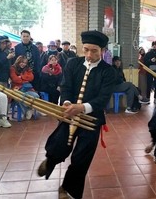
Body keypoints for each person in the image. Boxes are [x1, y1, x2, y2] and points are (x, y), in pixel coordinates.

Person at [37, 30, 116, 199]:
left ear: (103, 50)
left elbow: (103, 99)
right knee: (59, 145)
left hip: (92, 118)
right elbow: (66, 87)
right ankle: (51, 161)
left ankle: (66, 188)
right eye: (86, 49)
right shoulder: (73, 63)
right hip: (69, 113)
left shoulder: (108, 71)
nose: (89, 54)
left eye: (94, 51)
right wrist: (66, 103)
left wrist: (82, 107)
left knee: (82, 158)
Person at [10, 55, 39, 120]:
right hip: (17, 89)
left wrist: (21, 77)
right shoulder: (13, 68)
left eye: (25, 63)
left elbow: (31, 77)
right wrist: (25, 80)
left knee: (36, 96)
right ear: (18, 61)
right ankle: (27, 110)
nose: (23, 64)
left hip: (28, 88)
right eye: (22, 62)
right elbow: (15, 79)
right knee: (19, 97)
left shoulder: (27, 69)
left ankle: (28, 110)